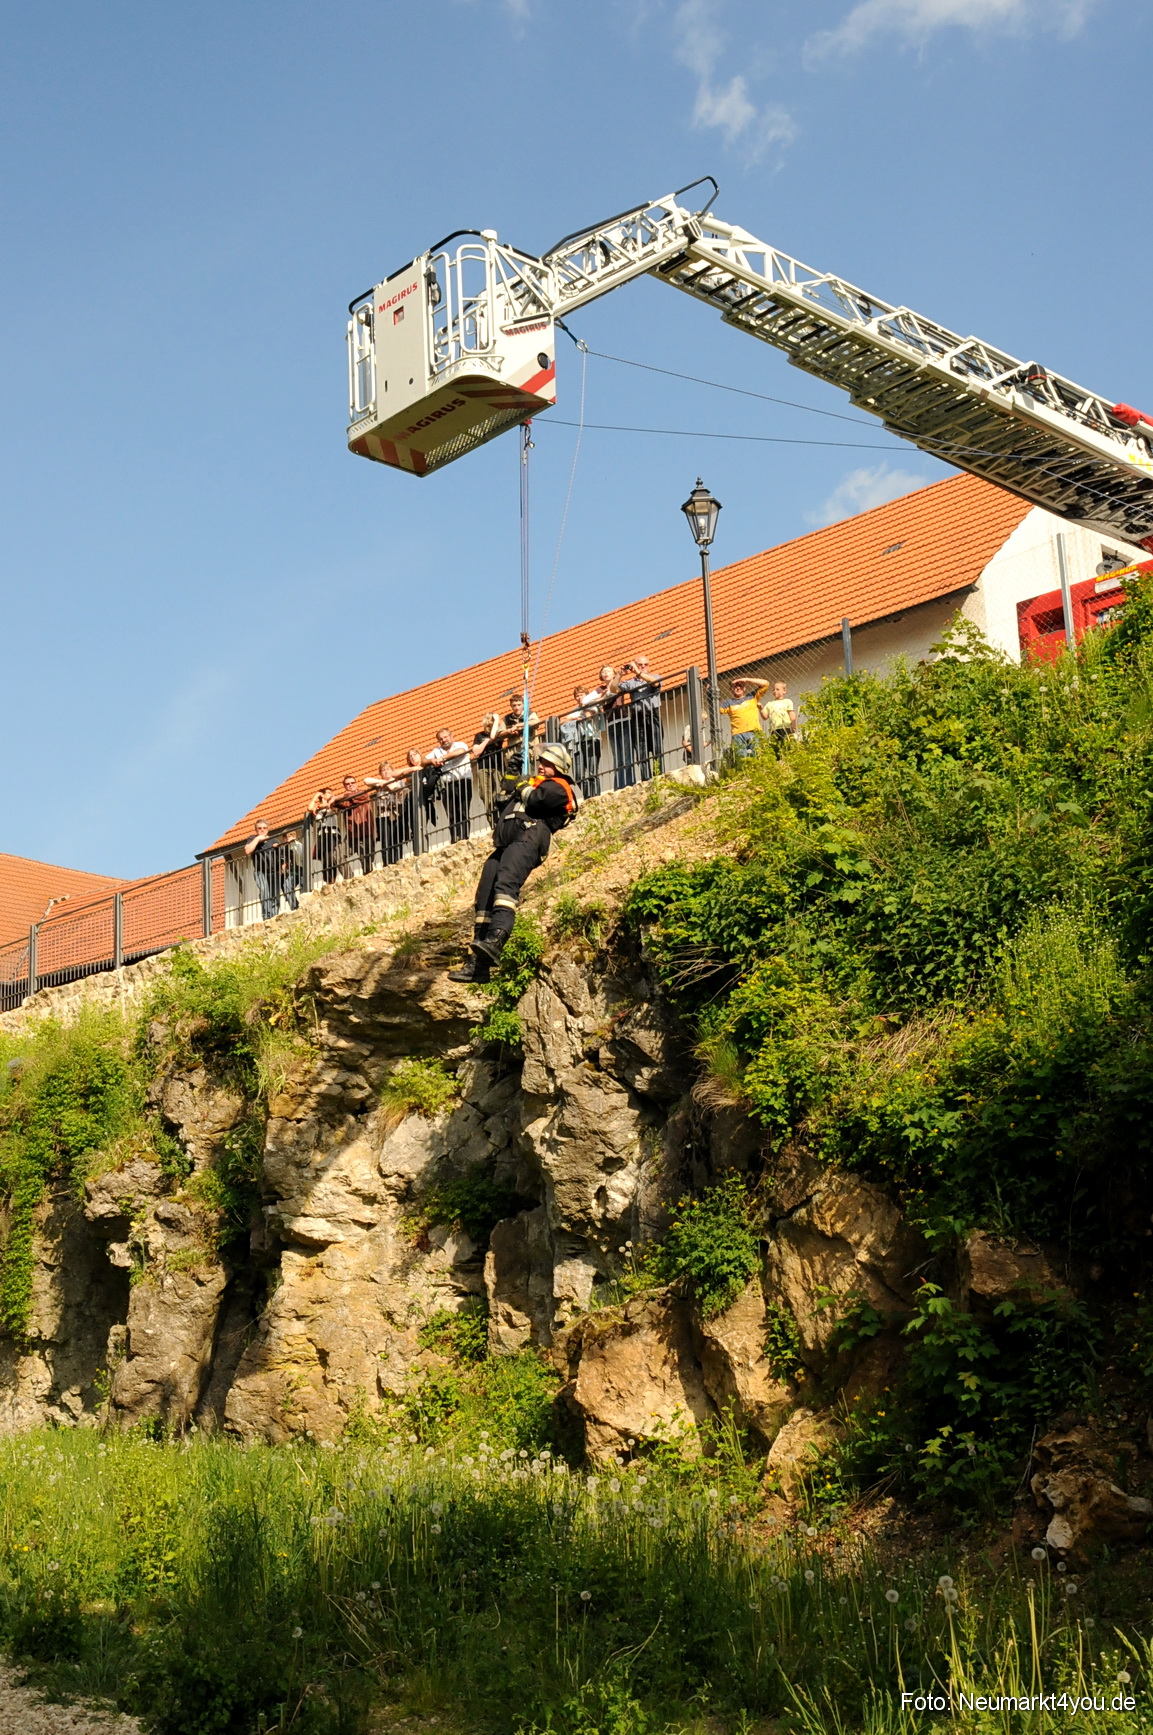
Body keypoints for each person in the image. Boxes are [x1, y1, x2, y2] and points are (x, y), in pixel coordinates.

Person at [448, 743, 580, 983]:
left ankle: (496, 939)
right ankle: (479, 962)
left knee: (505, 887)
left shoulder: (560, 787)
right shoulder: (531, 783)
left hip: (529, 837)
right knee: (485, 895)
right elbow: (503, 800)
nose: (541, 765)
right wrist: (511, 774)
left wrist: (522, 784)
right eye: (541, 762)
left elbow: (536, 802)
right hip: (505, 844)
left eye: (547, 763)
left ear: (558, 768)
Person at [424, 728, 474, 844]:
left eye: (446, 737)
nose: (444, 740)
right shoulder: (436, 751)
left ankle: (464, 837)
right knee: (451, 813)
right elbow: (422, 761)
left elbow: (460, 751)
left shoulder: (460, 744)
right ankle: (454, 839)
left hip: (463, 781)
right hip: (447, 785)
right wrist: (432, 760)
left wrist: (443, 758)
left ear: (451, 736)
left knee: (463, 810)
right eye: (441, 739)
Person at [559, 682, 605, 800]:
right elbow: (561, 722)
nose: (579, 698)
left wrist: (575, 717)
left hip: (592, 740)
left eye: (581, 695)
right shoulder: (574, 710)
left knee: (592, 772)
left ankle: (596, 796)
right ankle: (587, 796)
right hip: (578, 743)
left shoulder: (592, 705)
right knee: (579, 775)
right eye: (577, 696)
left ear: (587, 695)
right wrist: (574, 718)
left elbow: (589, 715)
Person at [365, 760, 412, 865]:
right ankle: (387, 863)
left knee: (397, 838)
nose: (385, 772)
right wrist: (381, 782)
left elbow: (399, 791)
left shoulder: (399, 781)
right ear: (380, 773)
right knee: (385, 841)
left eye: (387, 769)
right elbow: (366, 780)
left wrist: (388, 784)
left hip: (397, 813)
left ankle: (398, 861)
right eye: (383, 770)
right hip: (383, 814)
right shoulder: (379, 783)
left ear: (392, 770)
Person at [719, 677, 771, 758]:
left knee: (757, 757)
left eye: (740, 685)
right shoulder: (727, 703)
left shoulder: (752, 697)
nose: (738, 688)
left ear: (745, 687)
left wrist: (746, 679)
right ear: (731, 689)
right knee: (741, 759)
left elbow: (766, 684)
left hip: (754, 732)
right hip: (738, 734)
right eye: (735, 686)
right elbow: (716, 710)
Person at [335, 774, 375, 875]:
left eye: (352, 783)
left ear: (356, 784)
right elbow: (334, 805)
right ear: (344, 786)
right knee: (338, 855)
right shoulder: (345, 800)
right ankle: (350, 879)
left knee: (366, 861)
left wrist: (335, 797)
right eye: (347, 784)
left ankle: (368, 878)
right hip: (351, 835)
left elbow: (353, 797)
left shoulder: (363, 793)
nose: (350, 785)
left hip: (365, 832)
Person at [244, 820, 281, 922]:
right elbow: (247, 850)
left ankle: (274, 916)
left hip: (274, 872)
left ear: (268, 829)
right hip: (260, 872)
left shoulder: (274, 840)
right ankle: (267, 916)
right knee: (265, 891)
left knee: (275, 895)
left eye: (264, 828)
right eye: (259, 828)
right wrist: (258, 839)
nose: (262, 830)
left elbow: (281, 856)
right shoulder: (252, 839)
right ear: (256, 830)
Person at [471, 712, 505, 822]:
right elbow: (476, 752)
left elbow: (493, 736)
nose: (491, 725)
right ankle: (492, 821)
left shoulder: (498, 734)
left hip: (497, 767)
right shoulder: (479, 736)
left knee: (499, 792)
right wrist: (486, 742)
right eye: (490, 723)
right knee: (485, 795)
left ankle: (501, 817)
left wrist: (497, 719)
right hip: (483, 768)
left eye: (493, 723)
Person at [308, 788, 340, 885]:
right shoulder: (317, 808)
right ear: (323, 795)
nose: (331, 794)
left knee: (332, 857)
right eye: (328, 792)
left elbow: (331, 805)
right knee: (325, 858)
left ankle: (333, 879)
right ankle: (327, 880)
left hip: (332, 833)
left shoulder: (332, 804)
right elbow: (309, 808)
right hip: (322, 835)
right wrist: (316, 796)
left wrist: (321, 805)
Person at [760, 681, 798, 748]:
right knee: (776, 746)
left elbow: (791, 713)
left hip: (785, 728)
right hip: (774, 729)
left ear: (784, 691)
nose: (775, 691)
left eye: (777, 689)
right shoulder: (769, 704)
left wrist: (793, 725)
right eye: (773, 690)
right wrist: (761, 709)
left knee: (787, 744)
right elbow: (765, 717)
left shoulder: (787, 701)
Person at [280, 830, 303, 910]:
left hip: (303, 869)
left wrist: (293, 845)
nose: (287, 839)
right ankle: (295, 907)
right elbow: (284, 860)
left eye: (289, 836)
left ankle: (305, 905)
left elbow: (301, 856)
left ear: (294, 837)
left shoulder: (299, 845)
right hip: (293, 872)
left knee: (304, 887)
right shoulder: (285, 849)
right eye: (285, 838)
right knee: (287, 886)